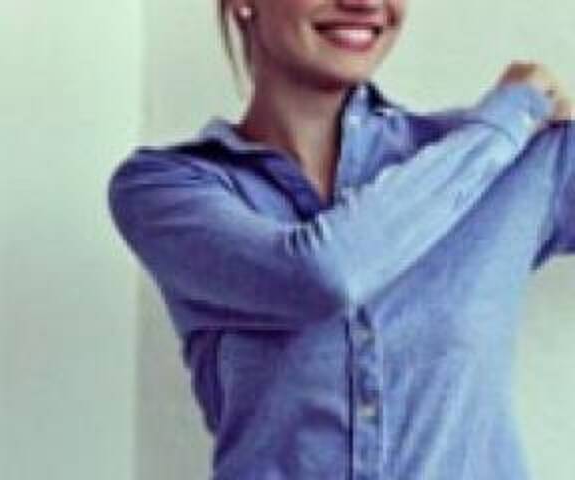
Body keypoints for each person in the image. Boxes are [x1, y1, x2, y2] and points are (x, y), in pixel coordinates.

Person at [108, 0, 575, 478]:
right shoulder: (165, 188)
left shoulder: (513, 162)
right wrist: (501, 124)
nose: (365, 3)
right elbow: (319, 274)